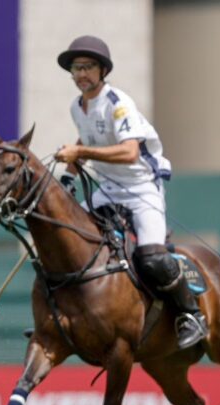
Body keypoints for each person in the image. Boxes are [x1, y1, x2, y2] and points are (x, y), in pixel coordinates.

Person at [54, 35, 207, 349]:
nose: (81, 73)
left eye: (88, 67)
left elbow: (129, 153)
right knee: (69, 237)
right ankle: (62, 317)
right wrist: (67, 181)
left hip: (141, 187)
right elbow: (82, 147)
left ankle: (192, 315)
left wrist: (79, 150)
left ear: (102, 71)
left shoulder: (118, 104)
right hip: (108, 189)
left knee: (151, 257)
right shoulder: (77, 107)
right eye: (76, 68)